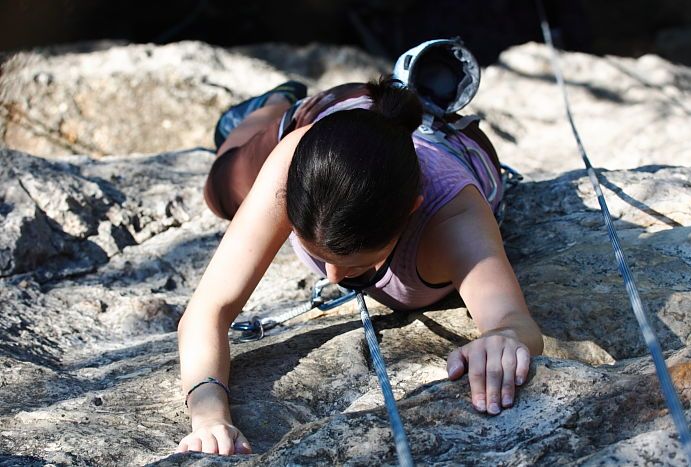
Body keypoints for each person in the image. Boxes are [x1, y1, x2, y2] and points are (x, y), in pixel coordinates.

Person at [176, 43, 543, 456]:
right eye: (320, 255)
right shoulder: (293, 161)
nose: (333, 279)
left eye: (357, 264)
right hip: (331, 117)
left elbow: (515, 323)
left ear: (413, 211)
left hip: (425, 145)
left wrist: (504, 339)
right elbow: (206, 312)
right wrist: (209, 416)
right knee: (220, 191)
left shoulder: (451, 217)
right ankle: (275, 104)